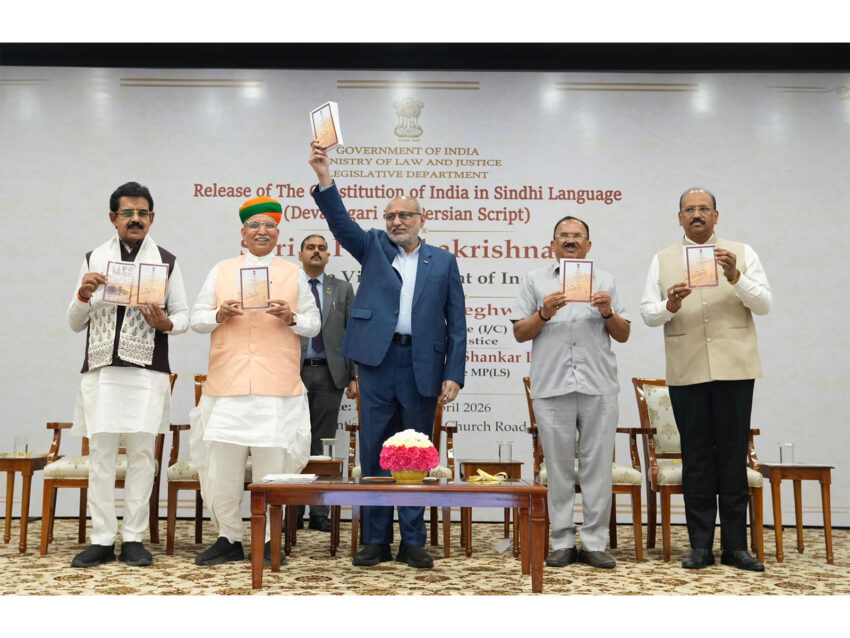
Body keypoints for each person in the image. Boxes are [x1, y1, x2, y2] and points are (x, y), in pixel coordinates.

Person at [308, 140, 466, 569]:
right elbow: (341, 223)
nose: (397, 221)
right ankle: (375, 539)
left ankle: (413, 541)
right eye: (391, 216)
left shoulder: (443, 261)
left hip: (422, 365)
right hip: (377, 362)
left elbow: (457, 321)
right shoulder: (374, 246)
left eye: (405, 215)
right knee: (376, 449)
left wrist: (454, 373)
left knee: (415, 450)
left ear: (422, 220)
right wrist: (325, 177)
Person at [639, 187, 772, 572]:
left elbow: (764, 304)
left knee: (732, 455)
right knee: (696, 457)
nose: (696, 214)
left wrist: (735, 276)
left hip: (735, 368)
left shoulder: (742, 253)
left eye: (703, 209)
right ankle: (699, 546)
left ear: (716, 215)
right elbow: (648, 314)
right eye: (689, 209)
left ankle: (736, 547)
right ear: (679, 217)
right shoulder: (662, 259)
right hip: (687, 369)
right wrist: (670, 304)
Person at [189, 196, 320, 566]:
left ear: (278, 233)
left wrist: (291, 317)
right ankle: (229, 538)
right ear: (243, 233)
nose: (262, 231)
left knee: (271, 470)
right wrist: (218, 314)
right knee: (223, 469)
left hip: (275, 387)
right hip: (227, 385)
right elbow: (196, 319)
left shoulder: (293, 273)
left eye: (269, 225)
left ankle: (267, 540)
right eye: (255, 225)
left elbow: (314, 324)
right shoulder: (222, 270)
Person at [68, 181, 188, 568]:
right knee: (101, 457)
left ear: (152, 218)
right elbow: (74, 322)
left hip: (147, 373)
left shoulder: (166, 260)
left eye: (143, 213)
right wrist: (83, 294)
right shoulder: (94, 259)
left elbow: (183, 316)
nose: (136, 219)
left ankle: (134, 537)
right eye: (128, 213)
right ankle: (102, 539)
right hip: (102, 372)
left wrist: (166, 323)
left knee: (142, 457)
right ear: (113, 217)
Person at [511, 216, 630, 569]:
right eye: (563, 235)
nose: (570, 240)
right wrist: (544, 312)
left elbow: (623, 334)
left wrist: (607, 311)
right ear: (552, 245)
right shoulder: (534, 280)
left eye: (577, 235)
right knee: (558, 468)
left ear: (588, 245)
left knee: (598, 468)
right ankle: (562, 541)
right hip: (552, 386)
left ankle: (594, 543)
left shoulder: (606, 281)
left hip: (598, 386)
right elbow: (520, 333)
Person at [296, 233, 358, 532]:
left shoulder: (342, 288)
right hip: (292, 373)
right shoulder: (289, 285)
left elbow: (353, 332)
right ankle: (292, 511)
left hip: (329, 373)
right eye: (310, 248)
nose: (316, 252)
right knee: (293, 442)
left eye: (322, 248)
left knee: (322, 443)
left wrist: (355, 375)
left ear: (328, 256)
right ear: (300, 254)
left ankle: (319, 512)